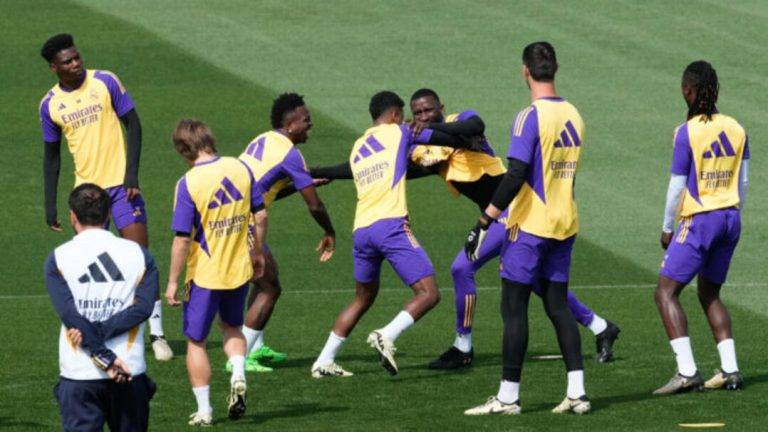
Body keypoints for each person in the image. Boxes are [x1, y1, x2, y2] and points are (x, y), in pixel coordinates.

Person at [410, 89, 619, 368]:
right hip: (502, 215)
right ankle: (601, 326)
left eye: (428, 110)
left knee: (462, 268)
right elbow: (406, 169)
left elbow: (475, 126)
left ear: (441, 107)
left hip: (509, 212)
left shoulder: (462, 123)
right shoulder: (437, 150)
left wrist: (427, 128)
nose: (424, 116)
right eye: (418, 113)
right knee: (535, 282)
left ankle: (463, 347)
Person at [310, 91, 479, 378]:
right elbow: (445, 139)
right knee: (429, 293)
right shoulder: (400, 133)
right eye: (406, 115)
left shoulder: (359, 145)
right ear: (394, 115)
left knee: (362, 298)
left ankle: (324, 360)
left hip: (361, 231)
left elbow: (347, 170)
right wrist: (468, 143)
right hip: (390, 227)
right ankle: (386, 334)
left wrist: (319, 172)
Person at [463, 42, 590, 415]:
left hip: (530, 226)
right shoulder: (575, 114)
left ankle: (508, 397)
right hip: (565, 223)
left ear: (525, 71)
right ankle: (577, 393)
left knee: (513, 307)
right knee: (557, 306)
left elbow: (517, 172)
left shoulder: (528, 117)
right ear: (556, 68)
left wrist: (484, 219)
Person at [39, 33, 172, 361]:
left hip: (121, 187)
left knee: (141, 258)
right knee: (94, 265)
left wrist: (132, 175)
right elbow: (51, 156)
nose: (76, 64)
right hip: (85, 194)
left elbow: (134, 125)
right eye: (67, 62)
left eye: (77, 57)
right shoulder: (50, 105)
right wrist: (50, 203)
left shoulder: (105, 81)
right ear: (55, 68)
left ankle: (156, 335)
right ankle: (94, 330)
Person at [653, 61, 749, 395]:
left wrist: (668, 227)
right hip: (730, 218)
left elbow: (676, 188)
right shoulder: (737, 128)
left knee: (665, 292)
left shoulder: (687, 132)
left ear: (688, 91)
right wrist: (732, 211)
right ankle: (730, 370)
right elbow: (744, 181)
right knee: (710, 292)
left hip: (700, 220)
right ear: (716, 90)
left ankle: (687, 371)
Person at [165, 120, 268, 426]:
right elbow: (260, 215)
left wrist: (172, 281)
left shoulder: (188, 182)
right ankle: (238, 373)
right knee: (232, 327)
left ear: (184, 150)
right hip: (238, 269)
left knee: (195, 342)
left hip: (205, 275)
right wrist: (257, 252)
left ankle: (205, 410)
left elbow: (183, 238)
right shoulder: (241, 168)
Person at [235, 93, 336, 372]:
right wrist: (330, 231)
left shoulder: (263, 139)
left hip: (233, 215)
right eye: (306, 120)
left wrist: (298, 182)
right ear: (291, 124)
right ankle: (239, 358)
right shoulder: (290, 154)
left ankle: (255, 348)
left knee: (266, 279)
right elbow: (314, 205)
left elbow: (264, 191)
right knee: (270, 287)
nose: (310, 124)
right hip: (243, 223)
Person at [46, 183, 158, 431]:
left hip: (79, 373)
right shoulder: (140, 255)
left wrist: (98, 346)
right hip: (129, 370)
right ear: (109, 214)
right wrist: (106, 347)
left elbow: (69, 314)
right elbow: (143, 309)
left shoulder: (58, 257)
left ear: (72, 216)